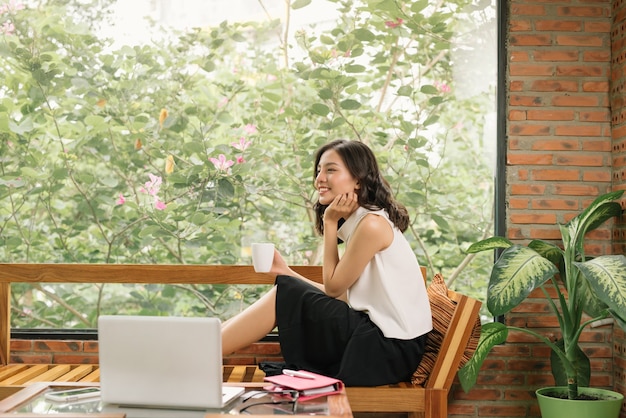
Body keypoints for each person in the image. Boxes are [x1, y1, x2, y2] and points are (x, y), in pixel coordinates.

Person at [221, 139, 432, 386]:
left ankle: (199, 349)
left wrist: (331, 222)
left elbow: (332, 289)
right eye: (319, 170)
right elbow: (342, 296)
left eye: (330, 170)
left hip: (387, 350)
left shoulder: (372, 225)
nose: (319, 178)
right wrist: (287, 272)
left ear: (358, 180)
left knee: (286, 293)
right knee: (286, 288)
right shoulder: (364, 222)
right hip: (381, 341)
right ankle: (202, 344)